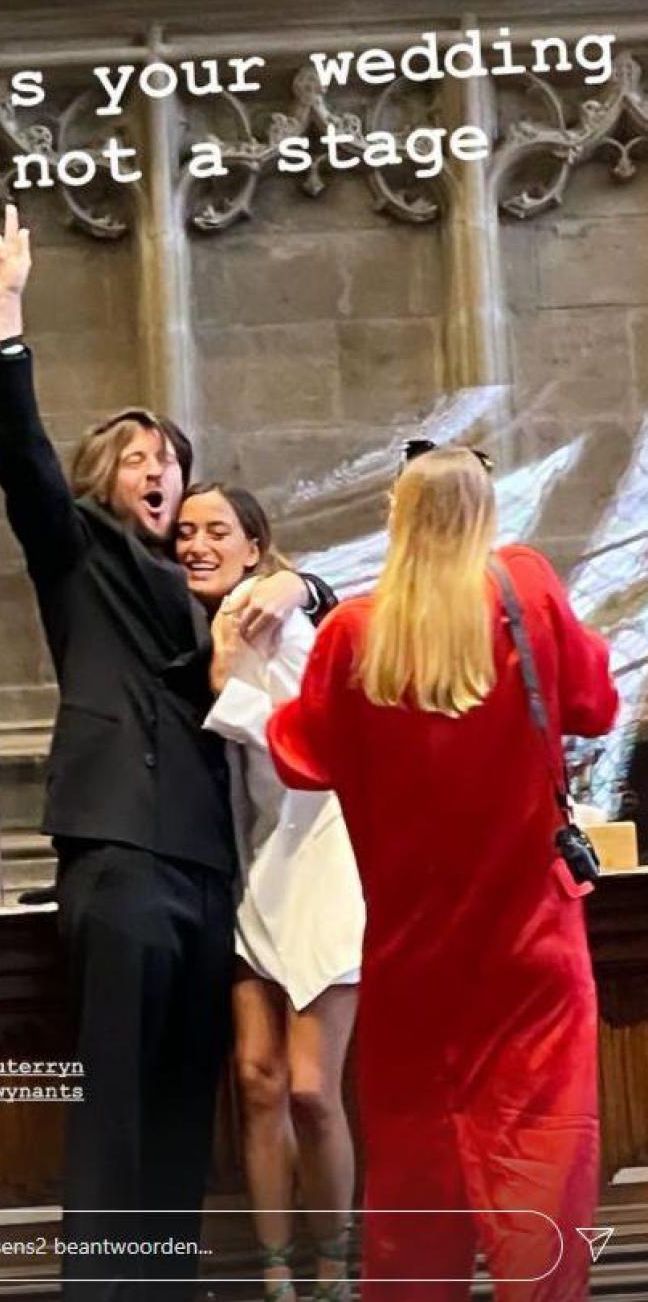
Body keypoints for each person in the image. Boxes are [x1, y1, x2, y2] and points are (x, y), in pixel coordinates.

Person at [0, 204, 335, 1302]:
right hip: (120, 853)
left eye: (169, 460)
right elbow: (22, 460)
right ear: (104, 481)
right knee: (117, 1099)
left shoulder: (208, 591)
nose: (159, 472)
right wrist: (4, 316)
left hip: (206, 869)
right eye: (138, 460)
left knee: (178, 1104)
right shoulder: (77, 553)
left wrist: (297, 582)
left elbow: (310, 593)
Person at [266, 444, 619, 1302]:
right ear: (487, 513)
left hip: (413, 959)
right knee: (540, 1176)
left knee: (415, 1188)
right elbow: (596, 704)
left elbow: (298, 755)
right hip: (531, 956)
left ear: (397, 517)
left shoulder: (355, 632)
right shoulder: (527, 590)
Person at [175, 483, 365, 1302]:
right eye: (185, 531)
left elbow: (320, 740)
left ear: (254, 547)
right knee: (257, 1080)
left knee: (312, 1089)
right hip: (257, 862)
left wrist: (228, 691)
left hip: (323, 853)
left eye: (217, 530)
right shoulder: (212, 618)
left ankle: (335, 1266)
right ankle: (277, 1273)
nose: (197, 543)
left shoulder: (269, 610)